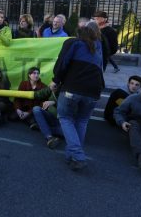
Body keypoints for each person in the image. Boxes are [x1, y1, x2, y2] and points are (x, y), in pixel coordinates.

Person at [50, 22, 104, 171]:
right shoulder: (97, 46)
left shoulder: (73, 42)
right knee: (82, 121)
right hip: (94, 91)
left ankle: (78, 156)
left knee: (65, 118)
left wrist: (55, 80)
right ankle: (71, 156)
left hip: (73, 88)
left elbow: (62, 63)